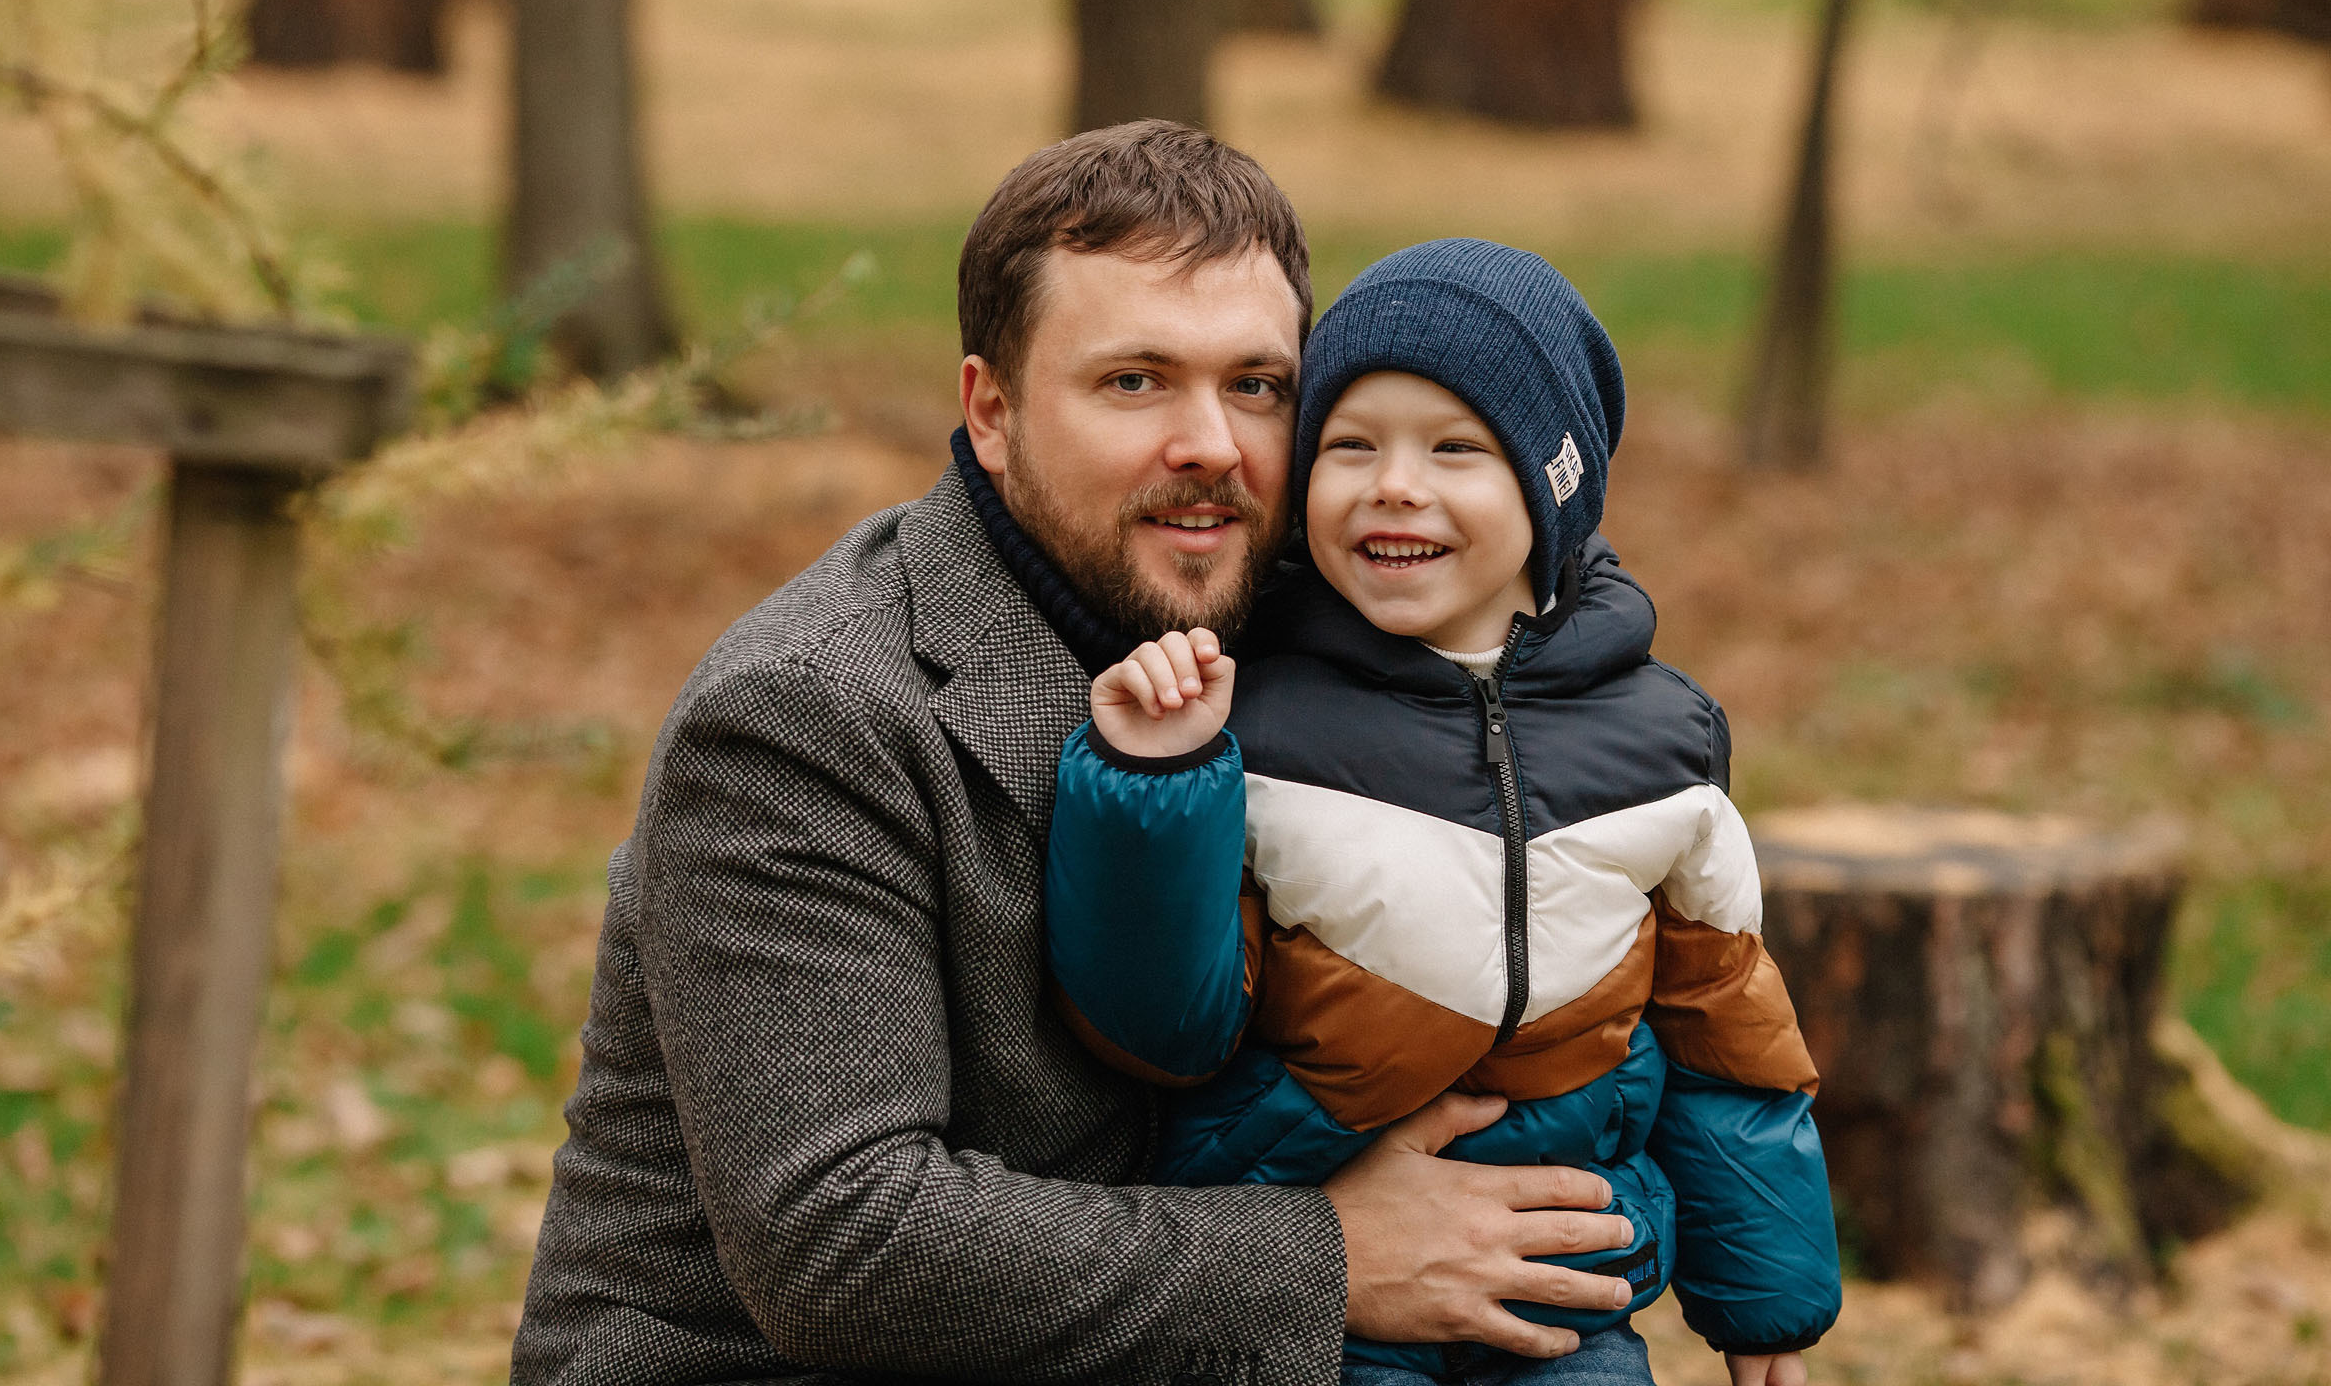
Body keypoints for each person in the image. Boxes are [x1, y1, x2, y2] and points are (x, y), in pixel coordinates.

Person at [511, 127, 1643, 1386]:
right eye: (1135, 382)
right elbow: (844, 1243)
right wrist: (1332, 1255)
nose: (1211, 442)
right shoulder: (807, 714)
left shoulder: (1311, 634)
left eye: (1257, 385)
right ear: (991, 413)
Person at [1043, 240, 1843, 1386]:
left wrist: (1769, 1302)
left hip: (1568, 1288)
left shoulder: (1665, 745)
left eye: (1455, 448)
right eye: (1351, 446)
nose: (1394, 484)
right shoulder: (1260, 727)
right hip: (1327, 1294)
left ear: (1553, 488)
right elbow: (1167, 1024)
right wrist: (1156, 786)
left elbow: (1730, 1036)